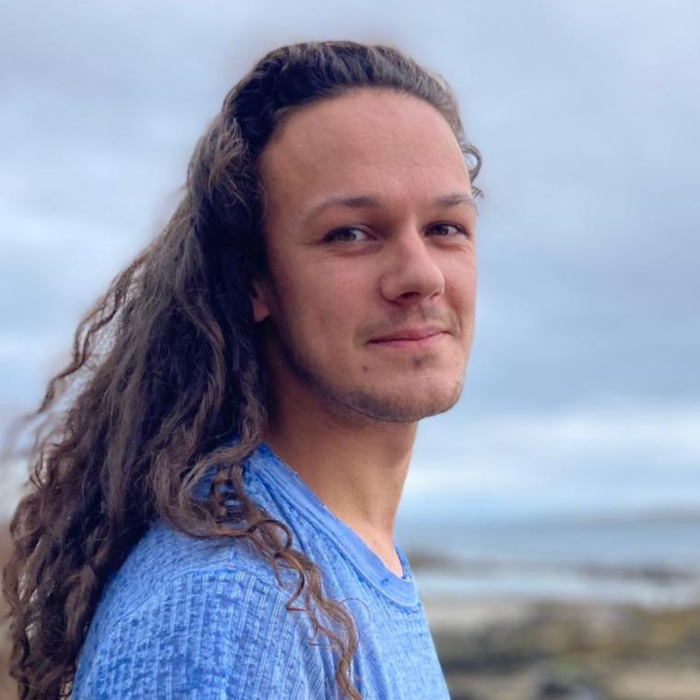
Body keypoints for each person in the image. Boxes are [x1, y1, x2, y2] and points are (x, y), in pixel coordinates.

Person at [2, 40, 481, 700]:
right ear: (256, 279)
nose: (421, 275)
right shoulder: (227, 616)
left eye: (446, 227)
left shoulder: (345, 553)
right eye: (351, 232)